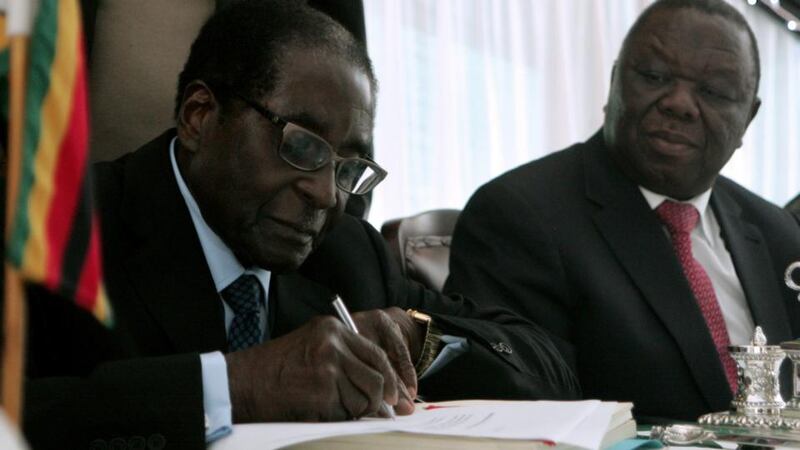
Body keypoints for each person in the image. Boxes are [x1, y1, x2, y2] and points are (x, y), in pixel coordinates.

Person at [22, 1, 578, 448]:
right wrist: (238, 386)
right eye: (301, 145)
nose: (324, 193)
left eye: (348, 167)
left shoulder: (346, 252)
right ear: (199, 117)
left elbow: (548, 365)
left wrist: (418, 335)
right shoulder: (54, 225)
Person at [445, 0, 800, 423]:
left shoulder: (778, 232)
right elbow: (517, 404)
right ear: (615, 81)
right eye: (654, 76)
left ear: (748, 118)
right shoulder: (518, 216)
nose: (680, 103)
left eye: (713, 92)